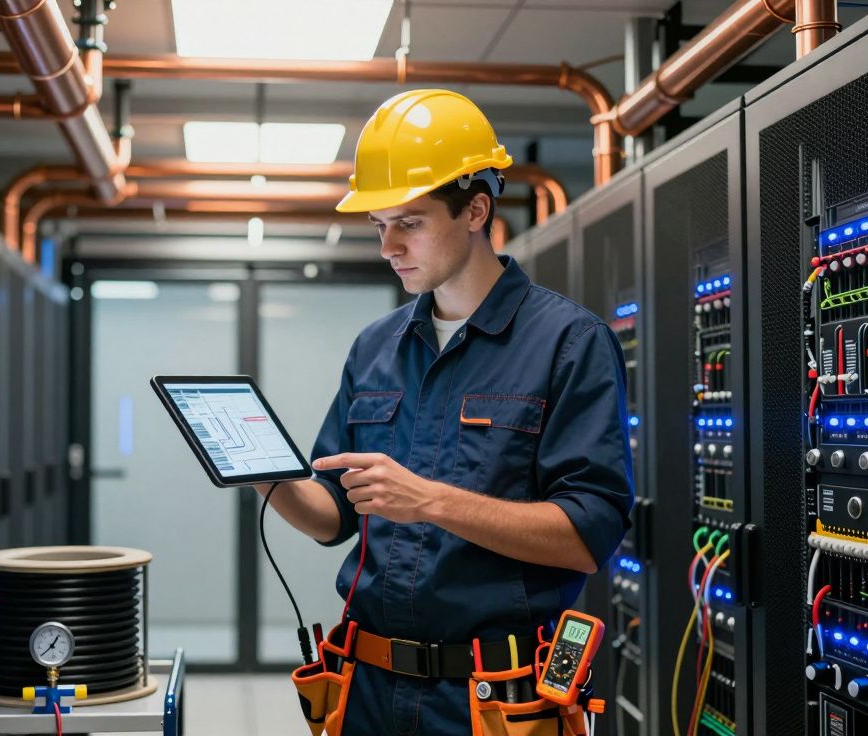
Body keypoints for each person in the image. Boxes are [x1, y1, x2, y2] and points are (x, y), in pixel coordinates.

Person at [268, 89, 634, 736]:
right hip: (367, 692)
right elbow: (334, 516)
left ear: (475, 210)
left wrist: (430, 501)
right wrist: (265, 479)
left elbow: (587, 538)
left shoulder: (568, 343)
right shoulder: (375, 347)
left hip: (491, 702)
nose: (389, 246)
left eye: (409, 221)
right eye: (379, 225)